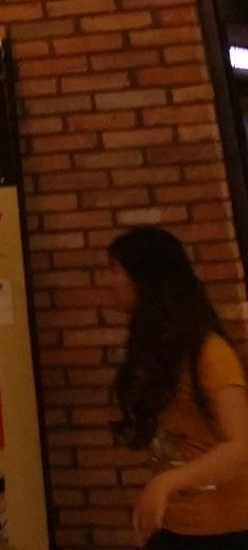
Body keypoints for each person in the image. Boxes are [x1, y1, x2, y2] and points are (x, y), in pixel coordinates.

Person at [109, 224, 248, 547]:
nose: (111, 281)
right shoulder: (158, 349)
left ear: (143, 278)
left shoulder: (209, 351)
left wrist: (166, 483)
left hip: (226, 528)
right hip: (177, 524)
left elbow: (241, 446)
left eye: (116, 270)